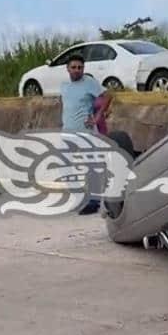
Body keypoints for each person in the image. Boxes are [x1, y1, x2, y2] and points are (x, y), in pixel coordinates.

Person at [60, 53, 113, 214]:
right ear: (67, 69)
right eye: (74, 67)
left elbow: (108, 96)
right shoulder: (64, 85)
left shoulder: (89, 83)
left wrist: (97, 117)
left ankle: (94, 201)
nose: (77, 70)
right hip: (67, 131)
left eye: (80, 67)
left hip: (85, 131)